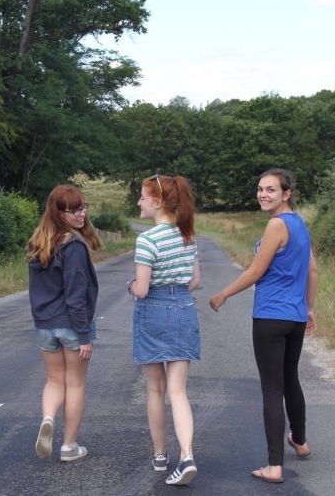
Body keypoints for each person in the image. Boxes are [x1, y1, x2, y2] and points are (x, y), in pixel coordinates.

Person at [209, 168, 318, 484]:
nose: (263, 194)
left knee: (272, 388)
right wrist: (309, 308)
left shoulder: (276, 225)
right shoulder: (300, 224)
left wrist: (223, 294)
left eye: (271, 190)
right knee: (290, 379)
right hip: (295, 317)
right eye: (260, 189)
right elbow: (313, 271)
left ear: (286, 194)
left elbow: (255, 272)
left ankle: (274, 465)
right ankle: (300, 440)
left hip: (271, 316)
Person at [128, 173, 201, 486]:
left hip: (153, 312)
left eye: (143, 197)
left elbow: (142, 289)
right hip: (184, 309)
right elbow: (195, 282)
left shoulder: (147, 239)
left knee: (155, 389)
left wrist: (130, 285)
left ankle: (160, 455)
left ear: (157, 202)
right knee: (178, 390)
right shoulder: (188, 236)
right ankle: (186, 455)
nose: (139, 202)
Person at [27, 184, 102, 462]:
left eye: (83, 207)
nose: (81, 214)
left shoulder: (38, 243)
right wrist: (84, 335)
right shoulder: (73, 247)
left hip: (45, 325)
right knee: (76, 384)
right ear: (59, 213)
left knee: (54, 380)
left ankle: (48, 418)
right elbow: (76, 295)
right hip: (72, 325)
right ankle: (69, 446)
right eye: (74, 210)